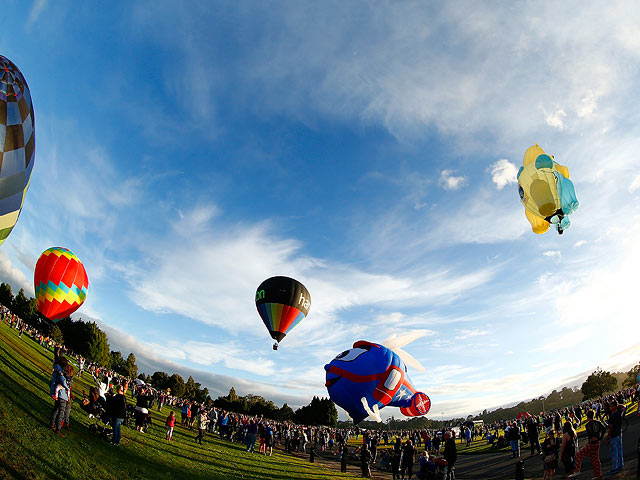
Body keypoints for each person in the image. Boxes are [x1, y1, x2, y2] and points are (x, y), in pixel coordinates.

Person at [569, 410, 605, 479]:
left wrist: (591, 438)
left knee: (579, 455)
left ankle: (577, 470)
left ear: (587, 416)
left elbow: (590, 433)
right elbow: (603, 429)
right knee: (595, 459)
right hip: (597, 442)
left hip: (591, 443)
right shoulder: (598, 422)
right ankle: (598, 474)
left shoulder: (588, 425)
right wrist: (600, 438)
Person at [49, 356, 70, 438]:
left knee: (56, 409)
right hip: (62, 394)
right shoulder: (60, 371)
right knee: (61, 412)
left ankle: (51, 423)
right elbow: (63, 382)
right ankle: (58, 429)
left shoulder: (56, 369)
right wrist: (68, 388)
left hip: (57, 393)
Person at [606, 403, 625, 474]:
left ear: (614, 407)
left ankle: (615, 467)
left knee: (614, 452)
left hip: (614, 435)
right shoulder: (619, 412)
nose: (610, 407)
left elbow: (610, 428)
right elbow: (624, 407)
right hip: (619, 432)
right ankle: (621, 464)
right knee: (620, 449)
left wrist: (608, 437)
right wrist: (620, 405)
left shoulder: (612, 417)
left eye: (611, 406)